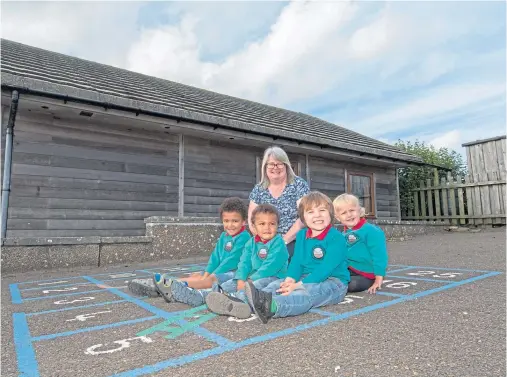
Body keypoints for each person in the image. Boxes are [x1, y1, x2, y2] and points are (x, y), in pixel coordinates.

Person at [244, 191, 350, 324]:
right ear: (303, 218)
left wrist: (298, 285)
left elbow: (326, 268)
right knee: (277, 285)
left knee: (306, 293)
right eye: (310, 212)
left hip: (334, 282)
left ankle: (272, 306)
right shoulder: (302, 235)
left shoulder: (336, 237)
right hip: (305, 277)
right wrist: (290, 280)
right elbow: (297, 261)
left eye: (322, 210)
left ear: (330, 213)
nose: (317, 215)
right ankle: (244, 301)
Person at [127, 197, 250, 300]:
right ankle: (163, 285)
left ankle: (169, 287)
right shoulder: (224, 236)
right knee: (196, 276)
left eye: (235, 221)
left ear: (243, 221)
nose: (230, 225)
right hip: (222, 270)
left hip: (235, 273)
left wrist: (209, 275)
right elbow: (215, 257)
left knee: (210, 280)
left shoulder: (244, 237)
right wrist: (206, 272)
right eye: (226, 221)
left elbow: (231, 261)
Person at [204, 204, 289, 319]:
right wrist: (240, 279)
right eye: (262, 224)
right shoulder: (251, 242)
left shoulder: (279, 243)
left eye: (272, 224)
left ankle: (239, 302)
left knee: (260, 287)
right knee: (227, 284)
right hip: (251, 277)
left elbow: (269, 267)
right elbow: (244, 263)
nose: (267, 228)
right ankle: (217, 296)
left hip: (274, 277)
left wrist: (249, 281)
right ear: (253, 226)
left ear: (278, 225)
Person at [248, 146, 310, 260]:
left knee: (278, 261)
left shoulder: (298, 184)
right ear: (265, 167)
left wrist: (283, 241)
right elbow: (252, 220)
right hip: (266, 240)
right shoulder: (258, 189)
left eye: (280, 163)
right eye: (271, 164)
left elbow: (304, 217)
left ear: (286, 166)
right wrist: (263, 241)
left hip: (293, 240)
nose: (275, 167)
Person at [332, 193, 388, 294]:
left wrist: (378, 279)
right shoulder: (343, 234)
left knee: (352, 285)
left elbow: (379, 256)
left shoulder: (371, 231)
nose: (349, 215)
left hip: (367, 274)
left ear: (359, 210)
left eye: (352, 210)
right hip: (350, 270)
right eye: (344, 213)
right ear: (338, 217)